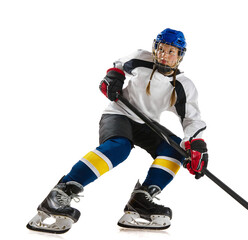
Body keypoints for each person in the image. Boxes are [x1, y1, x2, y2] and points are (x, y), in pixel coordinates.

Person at [26, 28, 208, 233]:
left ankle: (141, 200)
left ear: (180, 56)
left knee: (176, 150)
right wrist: (113, 78)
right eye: (161, 49)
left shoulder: (183, 86)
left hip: (147, 123)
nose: (165, 55)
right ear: (155, 48)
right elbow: (118, 66)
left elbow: (192, 119)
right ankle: (61, 192)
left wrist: (196, 147)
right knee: (119, 147)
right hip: (119, 114)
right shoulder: (140, 58)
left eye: (171, 51)